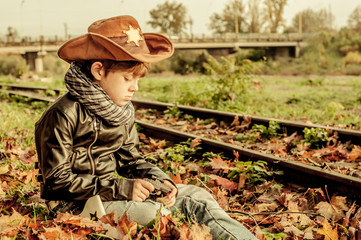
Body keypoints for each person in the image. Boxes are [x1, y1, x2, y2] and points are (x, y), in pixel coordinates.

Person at [35, 15, 257, 240]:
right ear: (98, 70)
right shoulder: (63, 113)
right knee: (154, 213)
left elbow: (131, 161)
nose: (135, 88)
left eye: (138, 80)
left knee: (197, 197)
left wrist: (161, 182)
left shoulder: (121, 111)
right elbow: (57, 181)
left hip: (109, 194)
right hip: (73, 206)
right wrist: (123, 189)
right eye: (127, 79)